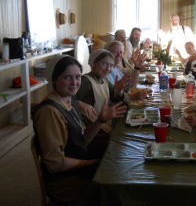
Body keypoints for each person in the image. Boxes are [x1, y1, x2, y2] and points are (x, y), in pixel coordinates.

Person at [32, 55, 127, 204]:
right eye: (67, 77)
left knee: (122, 166)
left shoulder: (69, 101)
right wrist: (94, 163)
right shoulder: (49, 112)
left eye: (77, 77)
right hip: (65, 181)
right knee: (118, 187)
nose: (74, 83)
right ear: (54, 79)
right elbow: (55, 163)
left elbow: (83, 140)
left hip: (78, 166)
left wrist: (100, 120)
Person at [74, 49, 131, 135]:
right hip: (92, 131)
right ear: (94, 63)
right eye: (104, 64)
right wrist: (79, 103)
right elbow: (67, 101)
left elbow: (126, 104)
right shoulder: (85, 81)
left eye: (111, 65)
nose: (108, 69)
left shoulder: (105, 81)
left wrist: (120, 92)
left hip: (104, 126)